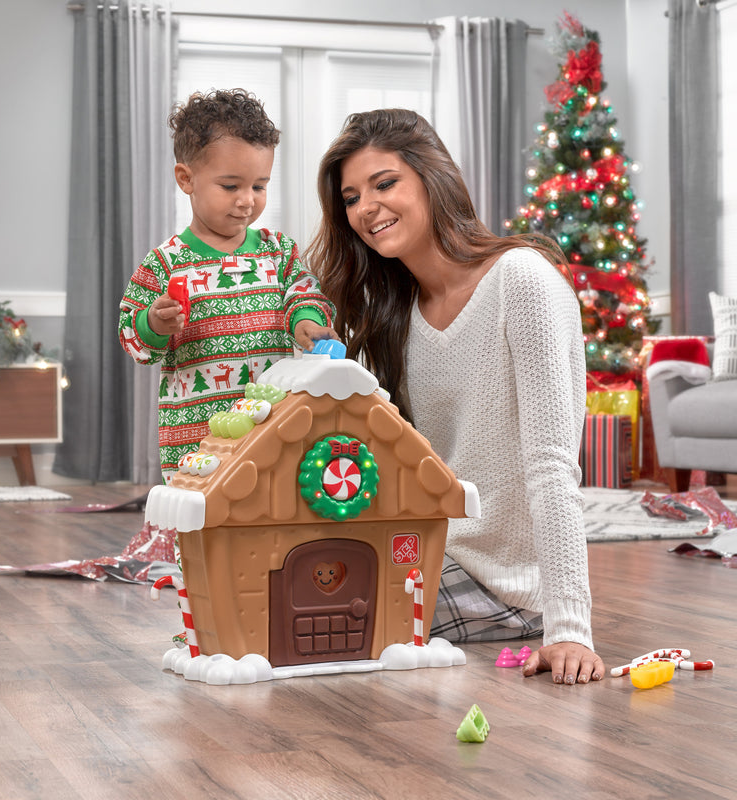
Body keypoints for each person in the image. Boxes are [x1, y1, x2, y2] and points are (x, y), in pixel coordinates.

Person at [307, 108, 604, 685]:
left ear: (431, 178)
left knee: (318, 617)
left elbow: (552, 465)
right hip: (427, 550)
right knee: (288, 580)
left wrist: (569, 628)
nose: (366, 208)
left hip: (503, 582)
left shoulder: (522, 280)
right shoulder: (398, 317)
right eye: (350, 197)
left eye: (384, 183)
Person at [119, 89, 336, 482]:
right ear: (187, 179)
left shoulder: (277, 251)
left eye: (259, 186)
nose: (247, 201)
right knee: (202, 525)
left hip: (273, 426)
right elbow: (133, 341)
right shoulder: (164, 264)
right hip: (197, 439)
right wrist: (152, 323)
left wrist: (304, 319)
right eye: (231, 186)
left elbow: (304, 291)